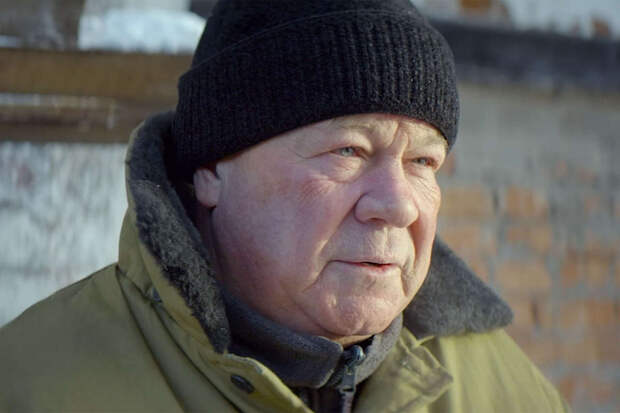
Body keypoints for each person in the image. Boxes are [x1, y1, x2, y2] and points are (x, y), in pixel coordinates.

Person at [0, 1, 570, 412]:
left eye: (423, 162)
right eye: (348, 150)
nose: (398, 205)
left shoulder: (506, 392)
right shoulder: (32, 386)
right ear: (211, 168)